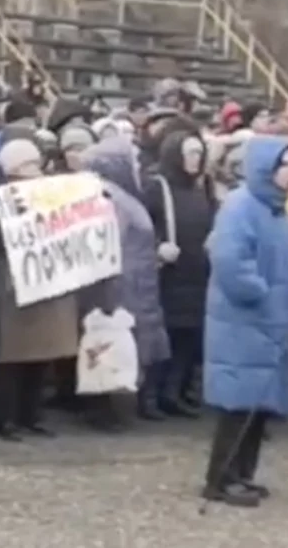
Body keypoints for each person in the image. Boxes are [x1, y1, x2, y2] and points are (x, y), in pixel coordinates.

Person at [200, 135, 288, 508]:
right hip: (244, 321)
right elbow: (230, 261)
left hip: (270, 320)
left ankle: (244, 474)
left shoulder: (277, 210)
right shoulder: (241, 207)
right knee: (237, 404)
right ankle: (220, 479)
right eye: (284, 165)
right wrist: (261, 293)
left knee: (259, 404)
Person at [0, 139, 79, 440]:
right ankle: (6, 418)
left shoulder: (51, 193)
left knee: (41, 353)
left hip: (45, 282)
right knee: (13, 358)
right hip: (15, 286)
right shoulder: (2, 198)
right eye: (27, 166)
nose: (33, 171)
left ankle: (31, 415)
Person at [79, 137, 171, 427]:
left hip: (136, 280)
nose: (137, 166)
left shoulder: (120, 195)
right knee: (114, 341)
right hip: (122, 284)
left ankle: (111, 407)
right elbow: (110, 243)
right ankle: (106, 408)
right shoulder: (110, 198)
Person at [145, 130, 216, 418]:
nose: (195, 159)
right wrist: (158, 246)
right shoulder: (156, 187)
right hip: (168, 274)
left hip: (196, 271)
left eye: (199, 153)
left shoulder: (202, 190)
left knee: (187, 337)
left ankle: (172, 393)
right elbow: (144, 227)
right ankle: (150, 396)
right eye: (190, 153)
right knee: (164, 337)